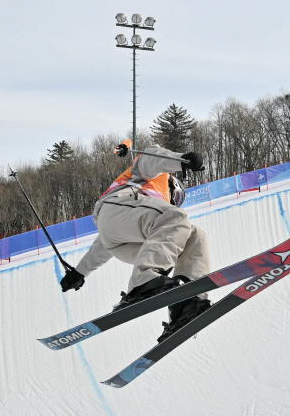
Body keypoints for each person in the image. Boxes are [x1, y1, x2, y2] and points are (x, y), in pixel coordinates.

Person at [59, 140, 211, 342]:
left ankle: (186, 304)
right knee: (176, 217)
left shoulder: (151, 210)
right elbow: (152, 156)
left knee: (194, 235)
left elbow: (104, 243)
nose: (174, 200)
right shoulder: (157, 176)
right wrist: (181, 161)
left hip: (119, 237)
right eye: (177, 196)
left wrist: (80, 272)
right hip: (117, 203)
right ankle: (143, 282)